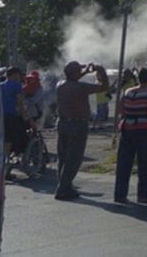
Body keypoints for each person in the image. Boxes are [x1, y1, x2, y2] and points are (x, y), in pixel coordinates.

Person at [55, 61, 109, 200]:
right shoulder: (81, 87)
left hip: (63, 123)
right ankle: (63, 188)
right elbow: (104, 87)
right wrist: (101, 71)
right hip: (77, 125)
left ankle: (65, 185)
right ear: (74, 73)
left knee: (63, 157)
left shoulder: (60, 85)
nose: (81, 73)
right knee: (74, 158)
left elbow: (73, 77)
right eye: (78, 71)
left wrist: (84, 71)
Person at [114, 68, 147, 204]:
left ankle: (120, 195)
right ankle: (144, 195)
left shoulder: (128, 92)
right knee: (145, 162)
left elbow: (120, 109)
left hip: (127, 127)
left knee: (124, 163)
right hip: (143, 129)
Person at [0, 67, 31, 167]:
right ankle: (7, 164)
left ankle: (5, 162)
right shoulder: (17, 86)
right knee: (13, 139)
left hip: (0, 116)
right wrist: (25, 116)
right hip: (11, 115)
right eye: (18, 74)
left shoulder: (0, 85)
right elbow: (20, 103)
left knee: (3, 139)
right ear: (14, 75)